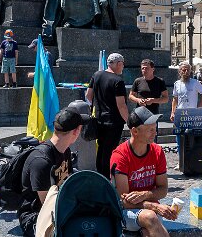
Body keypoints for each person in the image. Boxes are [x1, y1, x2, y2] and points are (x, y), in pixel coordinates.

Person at [111, 107, 176, 237]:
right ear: (135, 131)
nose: (155, 133)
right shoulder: (120, 156)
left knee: (148, 231)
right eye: (150, 130)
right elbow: (123, 201)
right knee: (150, 217)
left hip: (149, 210)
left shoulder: (157, 152)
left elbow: (163, 189)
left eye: (155, 128)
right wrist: (154, 206)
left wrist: (144, 195)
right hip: (125, 213)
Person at [18, 108, 82, 237]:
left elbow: (69, 183)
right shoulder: (41, 161)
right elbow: (48, 206)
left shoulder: (65, 151)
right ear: (76, 131)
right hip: (35, 217)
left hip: (59, 205)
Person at [86, 52, 130, 178]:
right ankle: (106, 178)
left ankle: (99, 176)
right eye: (122, 65)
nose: (122, 67)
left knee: (101, 149)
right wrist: (129, 121)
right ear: (118, 64)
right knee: (109, 151)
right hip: (114, 121)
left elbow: (88, 95)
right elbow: (121, 105)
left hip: (99, 119)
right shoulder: (118, 81)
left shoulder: (96, 75)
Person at [170, 62, 202, 167]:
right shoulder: (177, 84)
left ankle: (192, 161)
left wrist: (199, 107)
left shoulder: (195, 83)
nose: (186, 72)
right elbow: (175, 99)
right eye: (183, 70)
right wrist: (173, 112)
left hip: (192, 114)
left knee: (192, 138)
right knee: (179, 138)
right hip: (180, 114)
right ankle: (181, 161)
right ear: (179, 71)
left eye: (188, 70)